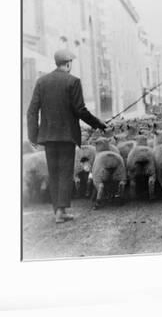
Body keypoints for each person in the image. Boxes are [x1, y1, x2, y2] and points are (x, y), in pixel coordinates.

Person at [27, 49, 107, 224]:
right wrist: (97, 123)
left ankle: (58, 209)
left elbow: (32, 111)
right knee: (64, 172)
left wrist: (33, 135)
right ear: (69, 63)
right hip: (66, 136)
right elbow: (80, 110)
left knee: (54, 172)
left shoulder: (42, 82)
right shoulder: (73, 82)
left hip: (47, 137)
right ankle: (61, 211)